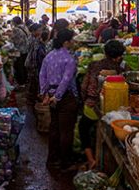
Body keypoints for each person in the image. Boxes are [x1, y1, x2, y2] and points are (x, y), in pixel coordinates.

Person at [79, 40, 126, 169]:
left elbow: (84, 86)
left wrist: (84, 100)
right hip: (113, 109)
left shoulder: (94, 65)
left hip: (92, 104)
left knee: (83, 128)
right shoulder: (121, 70)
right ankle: (106, 163)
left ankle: (90, 159)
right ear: (118, 56)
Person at [39, 28, 80, 169]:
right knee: (66, 131)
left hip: (51, 94)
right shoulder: (69, 58)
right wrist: (57, 96)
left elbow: (42, 75)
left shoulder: (49, 56)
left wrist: (45, 93)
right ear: (66, 42)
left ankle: (52, 160)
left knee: (54, 127)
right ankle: (65, 163)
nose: (73, 42)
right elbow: (66, 80)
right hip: (65, 97)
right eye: (72, 40)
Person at [26, 23, 50, 110]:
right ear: (34, 31)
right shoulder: (33, 40)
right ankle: (33, 97)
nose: (40, 31)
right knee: (34, 80)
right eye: (39, 30)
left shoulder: (35, 39)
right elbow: (35, 54)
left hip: (32, 63)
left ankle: (33, 96)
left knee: (34, 80)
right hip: (33, 63)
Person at [10, 16, 32, 85]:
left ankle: (21, 82)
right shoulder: (24, 27)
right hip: (26, 49)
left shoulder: (16, 29)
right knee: (24, 66)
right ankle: (25, 81)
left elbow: (15, 41)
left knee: (19, 67)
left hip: (19, 50)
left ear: (14, 22)